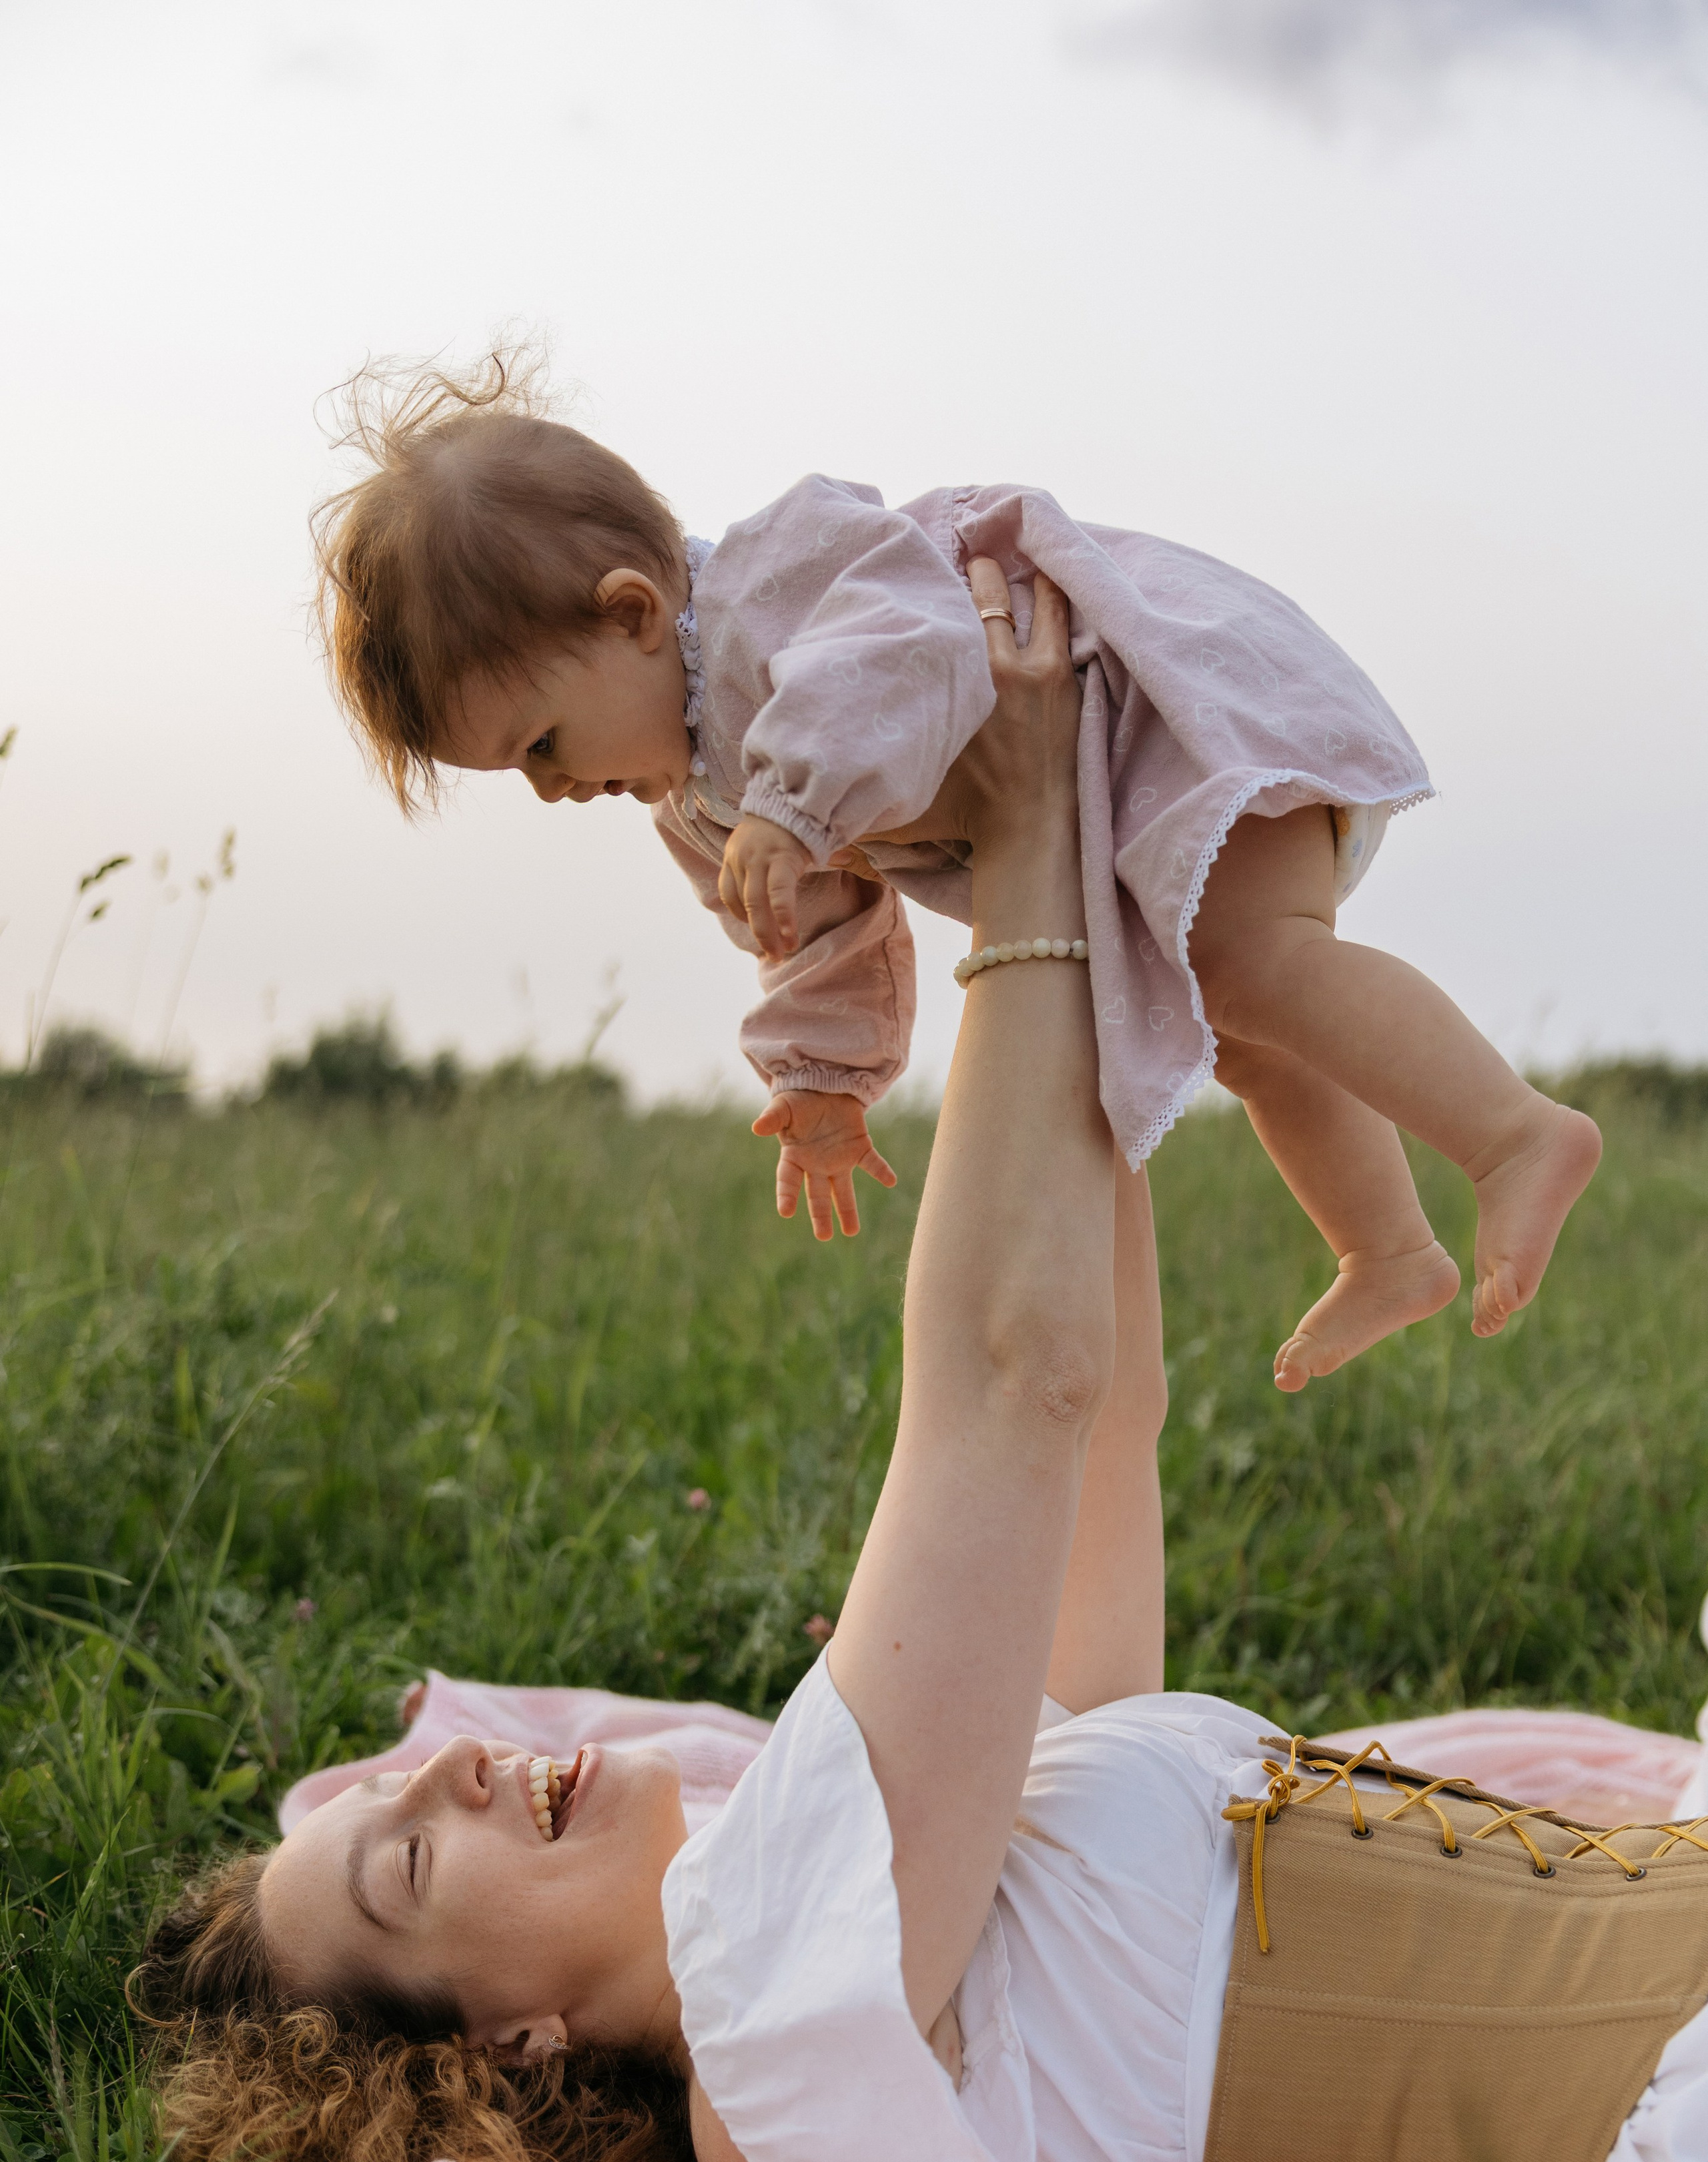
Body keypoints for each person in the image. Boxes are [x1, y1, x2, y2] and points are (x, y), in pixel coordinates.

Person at [139, 571, 1708, 2162]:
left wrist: (1063, 850)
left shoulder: (914, 1871)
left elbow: (1090, 1415)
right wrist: (1031, 844)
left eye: (418, 1782)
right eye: (414, 1856)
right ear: (516, 2051)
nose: (469, 1766)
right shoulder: (777, 2041)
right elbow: (1006, 1386)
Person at [311, 350, 1600, 1390]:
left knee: (1258, 966)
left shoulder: (778, 584)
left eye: (541, 743)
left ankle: (1517, 1137)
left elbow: (910, 644)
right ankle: (1388, 1249)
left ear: (633, 613)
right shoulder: (702, 804)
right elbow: (817, 938)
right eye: (520, 778)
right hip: (1109, 798)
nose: (555, 789)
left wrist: (798, 801)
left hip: (1161, 713)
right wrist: (819, 1079)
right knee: (1246, 1024)